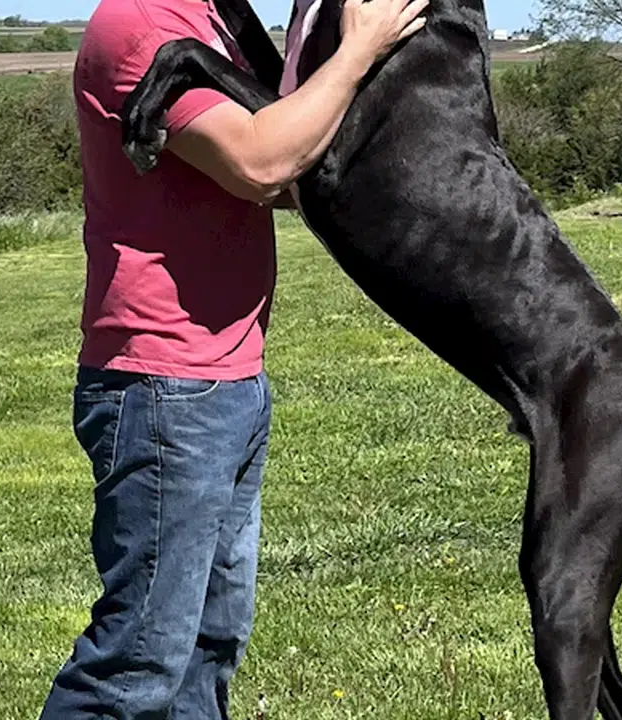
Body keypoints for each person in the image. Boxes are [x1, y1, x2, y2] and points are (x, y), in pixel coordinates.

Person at [37, 0, 428, 717]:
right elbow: (260, 161)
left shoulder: (216, 23)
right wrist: (358, 51)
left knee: (208, 646)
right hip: (164, 384)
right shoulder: (139, 26)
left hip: (228, 378)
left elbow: (293, 166)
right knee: (137, 662)